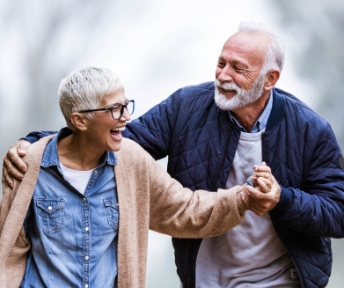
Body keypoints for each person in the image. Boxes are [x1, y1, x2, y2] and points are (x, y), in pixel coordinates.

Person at [3, 21, 344, 288]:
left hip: (279, 280)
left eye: (238, 68)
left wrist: (281, 199)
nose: (222, 75)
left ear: (270, 79)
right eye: (221, 63)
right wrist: (37, 144)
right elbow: (115, 139)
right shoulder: (187, 106)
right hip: (205, 279)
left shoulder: (311, 130)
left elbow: (338, 213)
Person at [0, 67, 275, 288]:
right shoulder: (27, 166)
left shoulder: (130, 161)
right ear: (80, 121)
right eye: (115, 109)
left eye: (126, 105)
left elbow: (184, 209)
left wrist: (242, 196)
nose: (127, 117)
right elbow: (8, 249)